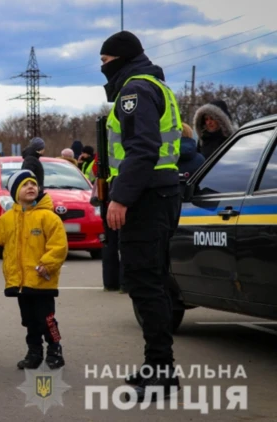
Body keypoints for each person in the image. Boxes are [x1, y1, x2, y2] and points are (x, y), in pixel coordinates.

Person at [99, 30, 182, 401]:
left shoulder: (135, 90)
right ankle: (158, 365)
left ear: (121, 57)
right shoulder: (155, 86)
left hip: (145, 199)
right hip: (160, 195)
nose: (102, 69)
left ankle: (161, 369)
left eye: (104, 62)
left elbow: (143, 149)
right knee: (155, 281)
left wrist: (120, 197)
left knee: (144, 282)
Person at [0, 170, 67, 370]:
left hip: (42, 279)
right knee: (30, 321)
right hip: (21, 283)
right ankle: (34, 352)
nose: (31, 187)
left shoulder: (48, 217)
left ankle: (55, 349)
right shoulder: (9, 219)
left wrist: (47, 263)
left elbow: (59, 246)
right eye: (24, 185)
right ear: (15, 193)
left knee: (47, 319)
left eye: (33, 184)